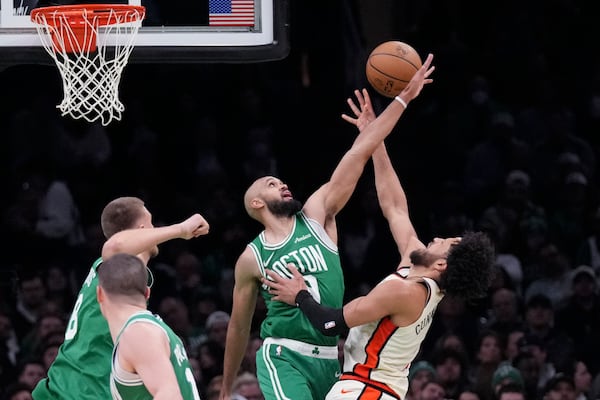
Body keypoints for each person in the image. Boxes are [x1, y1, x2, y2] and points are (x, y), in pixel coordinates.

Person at [261, 76, 495, 399]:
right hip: (369, 388)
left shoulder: (406, 293)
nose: (439, 237)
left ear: (442, 263)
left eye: (448, 243)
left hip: (366, 391)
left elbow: (331, 324)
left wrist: (299, 294)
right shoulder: (415, 268)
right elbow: (395, 207)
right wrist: (374, 138)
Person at [219, 54, 436, 400]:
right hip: (283, 354)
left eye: (281, 181)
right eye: (271, 184)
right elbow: (239, 325)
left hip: (330, 357)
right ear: (256, 204)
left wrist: (400, 102)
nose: (282, 184)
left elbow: (358, 153)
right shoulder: (252, 257)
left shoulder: (317, 214)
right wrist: (226, 387)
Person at [32, 196, 209, 400]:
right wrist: (181, 229)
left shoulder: (122, 279)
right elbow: (114, 246)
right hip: (81, 389)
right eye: (151, 223)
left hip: (70, 385)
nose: (155, 230)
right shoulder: (113, 270)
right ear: (143, 229)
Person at [97, 253, 201, 399]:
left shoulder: (138, 333)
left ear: (99, 294)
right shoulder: (152, 329)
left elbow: (170, 395)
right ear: (147, 293)